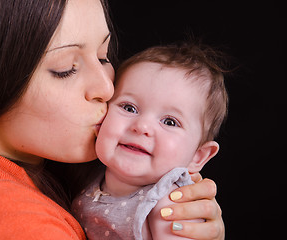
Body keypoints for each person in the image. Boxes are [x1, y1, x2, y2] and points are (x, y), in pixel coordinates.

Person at [0, 0, 224, 239]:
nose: (107, 88)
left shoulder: (65, 181)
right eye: (66, 69)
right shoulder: (13, 219)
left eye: (103, 57)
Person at [72, 42, 228, 239]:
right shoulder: (90, 178)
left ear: (198, 156)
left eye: (170, 122)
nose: (142, 126)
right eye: (129, 108)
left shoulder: (168, 203)